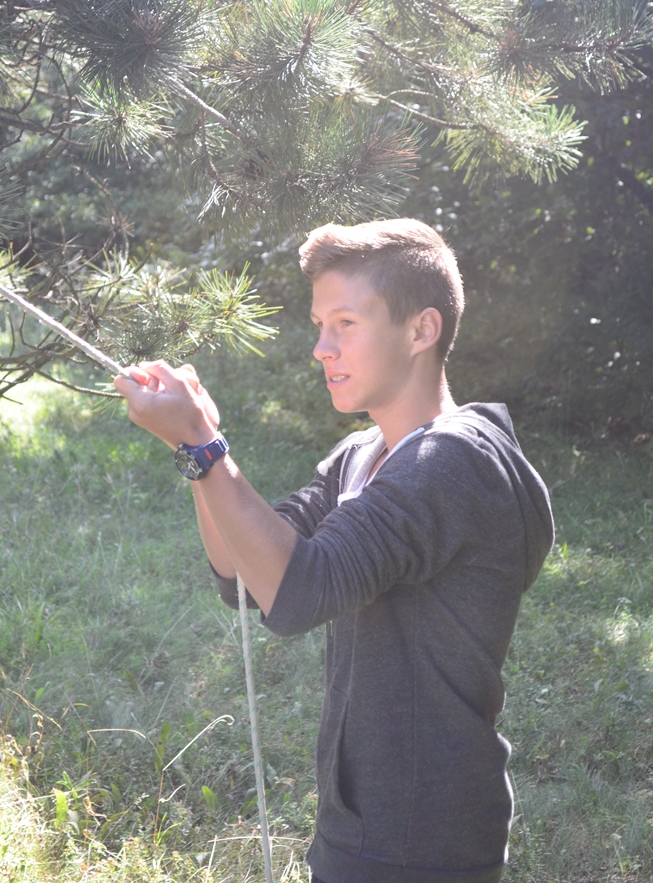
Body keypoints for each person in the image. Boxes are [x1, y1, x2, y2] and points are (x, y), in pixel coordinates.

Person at [114, 218, 554, 883]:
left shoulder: (454, 461)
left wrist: (205, 448)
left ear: (421, 330)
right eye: (320, 325)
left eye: (345, 323)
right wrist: (196, 447)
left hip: (424, 836)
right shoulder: (363, 453)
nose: (322, 348)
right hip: (360, 821)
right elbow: (244, 576)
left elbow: (298, 594)